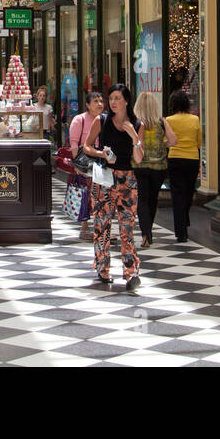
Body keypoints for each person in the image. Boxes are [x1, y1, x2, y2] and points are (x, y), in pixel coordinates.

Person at [80, 84, 144, 290]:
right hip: (105, 178)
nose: (113, 102)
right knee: (102, 225)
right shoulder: (102, 120)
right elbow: (86, 146)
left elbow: (139, 159)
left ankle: (131, 271)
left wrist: (135, 138)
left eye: (117, 98)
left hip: (127, 180)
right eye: (111, 98)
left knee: (127, 227)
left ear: (126, 100)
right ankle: (103, 267)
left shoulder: (137, 123)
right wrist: (101, 154)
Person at [132, 90, 177, 248]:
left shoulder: (135, 122)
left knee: (142, 199)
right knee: (153, 198)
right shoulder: (161, 122)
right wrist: (162, 145)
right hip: (159, 166)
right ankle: (148, 230)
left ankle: (145, 234)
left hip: (140, 165)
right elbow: (173, 140)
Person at [165, 89, 202, 242]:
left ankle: (181, 231)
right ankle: (184, 218)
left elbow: (166, 142)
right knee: (188, 192)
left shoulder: (169, 120)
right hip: (192, 158)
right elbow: (199, 140)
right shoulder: (195, 119)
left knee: (177, 194)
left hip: (174, 158)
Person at [66, 92, 105, 239]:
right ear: (88, 105)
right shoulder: (79, 119)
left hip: (101, 160)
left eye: (101, 101)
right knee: (84, 194)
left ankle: (100, 226)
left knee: (101, 194)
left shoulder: (105, 119)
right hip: (85, 161)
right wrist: (78, 165)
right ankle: (84, 227)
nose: (99, 104)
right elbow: (74, 143)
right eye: (95, 101)